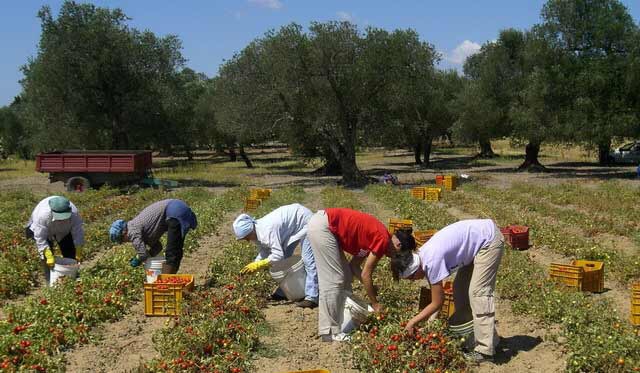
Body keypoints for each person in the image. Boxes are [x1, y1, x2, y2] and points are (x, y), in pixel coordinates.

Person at [391, 219, 504, 364]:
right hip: (475, 245)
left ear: (414, 270)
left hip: (488, 240)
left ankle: (485, 350)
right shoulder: (423, 257)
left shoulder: (431, 262)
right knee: (460, 289)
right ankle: (485, 338)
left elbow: (437, 302)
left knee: (478, 293)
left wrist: (412, 322)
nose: (414, 281)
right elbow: (436, 299)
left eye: (411, 278)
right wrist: (430, 325)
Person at [306, 207, 415, 342]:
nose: (392, 257)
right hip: (324, 226)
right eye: (396, 255)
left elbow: (354, 266)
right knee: (334, 279)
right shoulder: (382, 238)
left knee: (346, 276)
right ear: (398, 245)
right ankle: (329, 332)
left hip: (327, 227)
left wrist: (370, 287)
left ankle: (340, 322)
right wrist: (375, 304)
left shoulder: (377, 237)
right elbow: (365, 274)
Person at [232, 203, 318, 308]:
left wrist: (261, 264)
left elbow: (278, 255)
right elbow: (264, 252)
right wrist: (253, 265)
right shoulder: (257, 232)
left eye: (246, 237)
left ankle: (312, 297)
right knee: (283, 262)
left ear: (250, 231)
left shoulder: (267, 230)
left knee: (308, 259)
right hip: (292, 227)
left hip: (304, 221)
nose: (247, 240)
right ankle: (284, 292)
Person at [109, 199, 197, 274]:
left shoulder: (132, 232)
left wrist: (137, 259)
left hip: (175, 211)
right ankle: (171, 281)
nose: (125, 241)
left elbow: (142, 254)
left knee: (172, 253)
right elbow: (158, 247)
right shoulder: (139, 230)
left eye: (122, 240)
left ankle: (166, 284)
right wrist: (150, 254)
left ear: (124, 232)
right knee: (176, 250)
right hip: (177, 207)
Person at [25, 196, 84, 285]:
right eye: (59, 217)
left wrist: (78, 248)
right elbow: (41, 238)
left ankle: (71, 277)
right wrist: (48, 254)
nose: (62, 219)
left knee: (70, 251)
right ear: (52, 212)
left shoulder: (74, 213)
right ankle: (50, 281)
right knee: (47, 257)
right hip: (46, 229)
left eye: (65, 217)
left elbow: (78, 232)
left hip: (65, 230)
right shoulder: (42, 215)